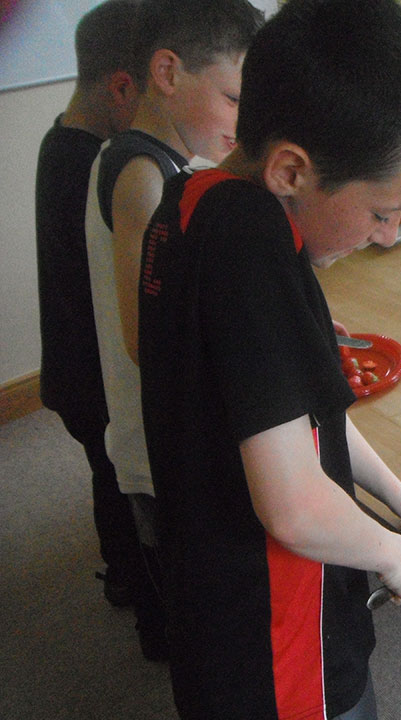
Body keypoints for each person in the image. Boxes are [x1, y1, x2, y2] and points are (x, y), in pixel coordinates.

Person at [137, 0, 401, 717]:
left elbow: (301, 409)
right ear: (292, 170)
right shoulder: (251, 248)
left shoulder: (196, 195)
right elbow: (296, 508)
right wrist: (398, 553)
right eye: (383, 210)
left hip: (218, 606)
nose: (390, 236)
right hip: (274, 642)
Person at [84, 0, 264, 660]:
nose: (244, 123)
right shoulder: (141, 175)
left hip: (170, 439)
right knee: (202, 615)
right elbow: (148, 339)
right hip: (162, 452)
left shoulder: (163, 159)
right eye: (234, 98)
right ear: (167, 71)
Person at [35, 0, 145, 611]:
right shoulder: (96, 167)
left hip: (74, 370)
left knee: (109, 482)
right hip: (92, 375)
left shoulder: (65, 143)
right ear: (122, 87)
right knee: (122, 487)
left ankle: (125, 578)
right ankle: (148, 608)